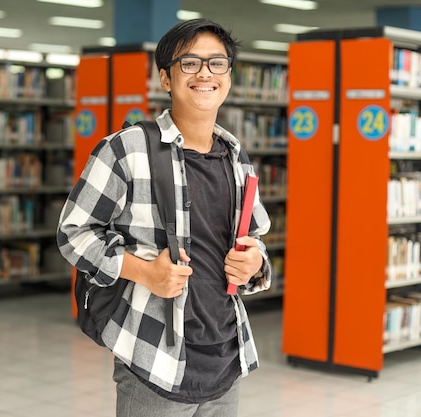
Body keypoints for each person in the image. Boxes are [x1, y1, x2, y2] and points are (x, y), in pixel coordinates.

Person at [57, 18, 272, 417]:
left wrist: (256, 262)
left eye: (217, 63)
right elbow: (73, 233)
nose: (205, 72)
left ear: (229, 76)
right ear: (165, 78)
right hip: (153, 358)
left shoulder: (236, 157)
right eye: (189, 63)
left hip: (226, 356)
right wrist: (142, 271)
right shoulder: (126, 149)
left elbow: (255, 237)